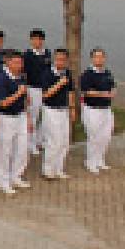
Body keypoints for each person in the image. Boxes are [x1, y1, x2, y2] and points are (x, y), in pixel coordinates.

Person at [0, 51, 31, 194]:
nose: (19, 65)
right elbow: (2, 103)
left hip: (20, 115)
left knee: (22, 148)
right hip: (5, 118)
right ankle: (2, 180)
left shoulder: (20, 77)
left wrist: (27, 117)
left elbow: (24, 99)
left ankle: (16, 175)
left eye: (20, 63)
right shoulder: (0, 79)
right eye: (16, 62)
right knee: (5, 150)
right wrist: (19, 94)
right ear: (8, 63)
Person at [39, 48, 76, 180]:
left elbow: (71, 91)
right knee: (53, 141)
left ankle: (59, 168)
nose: (60, 62)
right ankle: (48, 170)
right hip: (51, 110)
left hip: (64, 110)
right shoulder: (47, 73)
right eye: (58, 59)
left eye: (63, 60)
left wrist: (72, 108)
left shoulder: (67, 73)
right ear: (54, 59)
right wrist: (59, 84)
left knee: (64, 141)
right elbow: (45, 94)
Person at [80, 47, 116, 174]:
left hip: (106, 109)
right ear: (92, 58)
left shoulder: (107, 73)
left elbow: (112, 86)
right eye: (96, 57)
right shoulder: (87, 74)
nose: (99, 59)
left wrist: (112, 92)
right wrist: (102, 94)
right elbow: (86, 91)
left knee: (105, 136)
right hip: (93, 110)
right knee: (94, 136)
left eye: (101, 57)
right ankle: (91, 162)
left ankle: (100, 159)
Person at [22, 29, 52, 156]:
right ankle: (30, 143)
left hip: (45, 90)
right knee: (32, 117)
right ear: (31, 40)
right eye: (34, 39)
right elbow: (23, 74)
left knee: (45, 117)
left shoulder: (47, 54)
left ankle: (40, 140)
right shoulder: (27, 55)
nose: (37, 42)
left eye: (39, 39)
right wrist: (26, 92)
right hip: (32, 88)